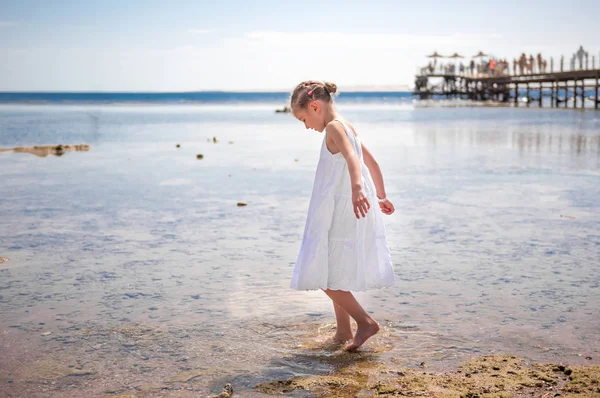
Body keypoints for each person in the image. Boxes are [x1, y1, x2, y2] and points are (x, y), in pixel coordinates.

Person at [288, 80, 396, 352]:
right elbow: (371, 161)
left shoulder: (335, 128)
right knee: (335, 270)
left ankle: (365, 322)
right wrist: (381, 196)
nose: (306, 126)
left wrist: (358, 188)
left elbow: (352, 158)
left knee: (322, 273)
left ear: (315, 106)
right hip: (345, 206)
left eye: (303, 119)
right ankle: (343, 331)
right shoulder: (347, 126)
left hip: (339, 208)